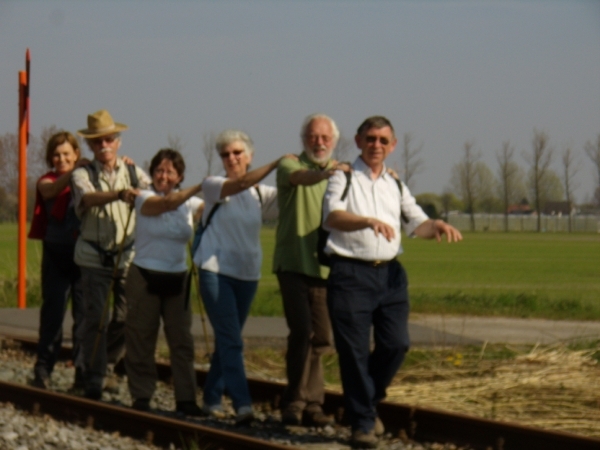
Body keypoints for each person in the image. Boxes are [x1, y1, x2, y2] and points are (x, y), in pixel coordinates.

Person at [323, 116, 463, 448]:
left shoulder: (395, 184)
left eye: (383, 140)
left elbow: (418, 224)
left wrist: (437, 226)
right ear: (358, 141)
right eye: (370, 139)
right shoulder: (342, 177)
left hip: (390, 276)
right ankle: (362, 424)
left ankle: (367, 405)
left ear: (393, 145)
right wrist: (367, 221)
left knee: (396, 344)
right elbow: (332, 217)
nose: (376, 145)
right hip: (350, 275)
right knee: (354, 353)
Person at [193, 130, 285, 425]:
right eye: (225, 154)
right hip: (214, 271)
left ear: (249, 156)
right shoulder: (213, 185)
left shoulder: (261, 194)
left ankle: (210, 398)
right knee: (233, 340)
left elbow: (292, 195)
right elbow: (242, 182)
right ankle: (243, 405)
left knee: (227, 340)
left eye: (237, 153)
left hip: (247, 275)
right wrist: (276, 164)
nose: (231, 158)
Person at [72, 109, 150, 400]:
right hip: (93, 257)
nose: (104, 145)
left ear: (118, 142)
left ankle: (109, 366)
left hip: (126, 256)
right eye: (98, 141)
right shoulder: (82, 173)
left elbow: (151, 194)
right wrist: (119, 194)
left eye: (109, 140)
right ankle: (93, 378)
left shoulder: (133, 172)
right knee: (96, 320)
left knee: (126, 317)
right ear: (91, 146)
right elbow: (87, 198)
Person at [272, 113, 343, 427]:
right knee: (301, 331)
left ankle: (313, 404)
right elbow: (302, 179)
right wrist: (329, 175)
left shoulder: (343, 172)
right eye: (314, 137)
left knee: (322, 339)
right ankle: (294, 402)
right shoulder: (291, 165)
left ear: (334, 142)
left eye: (325, 138)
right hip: (293, 263)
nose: (320, 142)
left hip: (326, 267)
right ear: (304, 140)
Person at [124, 148, 204, 415]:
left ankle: (186, 399)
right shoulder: (144, 197)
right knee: (141, 338)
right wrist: (198, 188)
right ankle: (142, 396)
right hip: (144, 275)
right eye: (159, 170)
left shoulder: (191, 205)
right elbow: (166, 204)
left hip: (177, 278)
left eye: (170, 172)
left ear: (179, 176)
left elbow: (209, 207)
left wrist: (219, 193)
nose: (164, 176)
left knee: (182, 341)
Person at [28, 131, 87, 390]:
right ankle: (43, 369)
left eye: (66, 154)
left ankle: (83, 375)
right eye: (56, 154)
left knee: (84, 317)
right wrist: (73, 174)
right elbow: (51, 190)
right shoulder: (47, 180)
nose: (61, 158)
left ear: (76, 155)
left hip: (84, 255)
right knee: (53, 314)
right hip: (56, 253)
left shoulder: (86, 178)